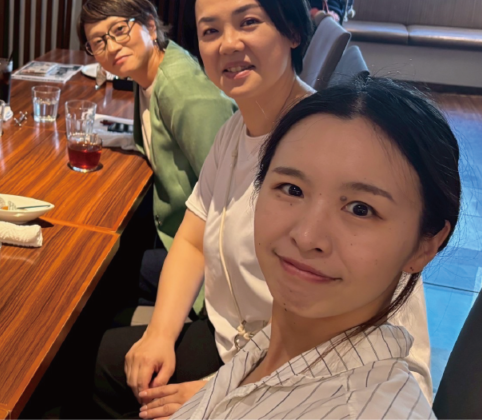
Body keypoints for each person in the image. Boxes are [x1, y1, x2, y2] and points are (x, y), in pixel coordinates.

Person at [93, 0, 433, 418]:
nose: (228, 44)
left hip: (293, 379)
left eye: (248, 22)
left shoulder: (337, 148)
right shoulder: (237, 129)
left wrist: (224, 392)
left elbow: (395, 352)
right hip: (236, 342)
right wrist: (159, 334)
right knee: (109, 353)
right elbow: (192, 237)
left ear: (292, 30)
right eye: (210, 31)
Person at [170, 76, 457, 420]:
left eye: (360, 209)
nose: (306, 237)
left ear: (425, 246)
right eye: (292, 189)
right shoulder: (277, 342)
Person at [78, 0, 235, 252]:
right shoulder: (147, 71)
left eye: (120, 30)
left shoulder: (184, 93)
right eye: (98, 42)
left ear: (150, 26)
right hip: (168, 216)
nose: (112, 47)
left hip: (196, 243)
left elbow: (230, 196)